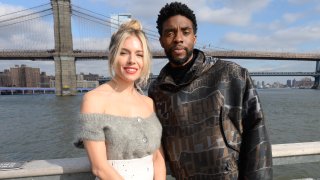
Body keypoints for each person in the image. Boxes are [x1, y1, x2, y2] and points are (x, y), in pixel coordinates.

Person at [148, 2, 273, 179]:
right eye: (169, 33)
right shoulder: (157, 90)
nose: (178, 38)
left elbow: (257, 139)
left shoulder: (232, 75)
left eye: (185, 31)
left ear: (195, 38)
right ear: (161, 40)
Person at [74, 20, 166, 180]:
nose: (132, 60)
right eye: (124, 53)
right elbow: (99, 167)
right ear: (113, 56)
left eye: (139, 54)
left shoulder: (148, 102)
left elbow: (157, 157)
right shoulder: (94, 100)